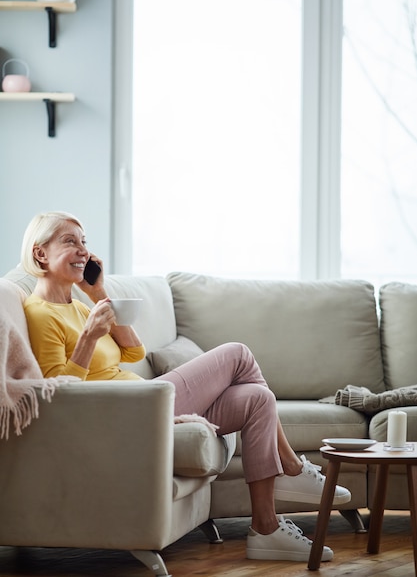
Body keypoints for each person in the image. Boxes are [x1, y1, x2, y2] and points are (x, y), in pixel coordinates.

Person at [20, 211, 351, 563]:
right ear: (41, 253)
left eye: (84, 241)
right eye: (70, 241)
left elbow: (134, 351)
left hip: (143, 399)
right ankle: (291, 469)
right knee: (237, 353)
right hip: (130, 410)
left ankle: (266, 529)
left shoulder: (80, 306)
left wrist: (98, 292)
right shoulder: (40, 313)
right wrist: (87, 338)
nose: (83, 250)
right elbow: (61, 394)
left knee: (258, 398)